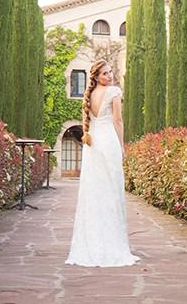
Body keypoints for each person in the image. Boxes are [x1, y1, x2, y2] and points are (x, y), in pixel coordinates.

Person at [65, 59, 140, 267]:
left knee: (94, 191)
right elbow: (118, 121)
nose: (110, 76)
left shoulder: (88, 95)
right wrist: (122, 146)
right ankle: (112, 246)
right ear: (97, 77)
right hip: (108, 142)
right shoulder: (114, 92)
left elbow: (85, 123)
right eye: (105, 73)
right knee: (111, 191)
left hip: (93, 144)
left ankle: (93, 244)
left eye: (110, 72)